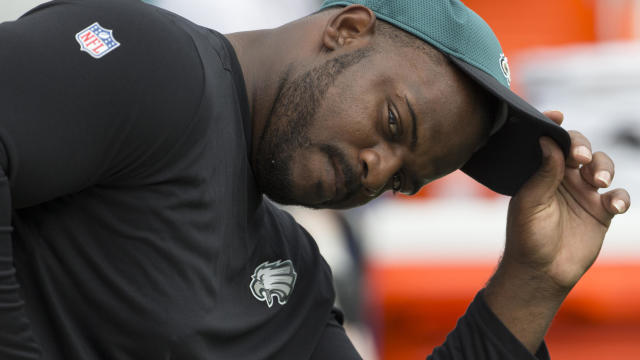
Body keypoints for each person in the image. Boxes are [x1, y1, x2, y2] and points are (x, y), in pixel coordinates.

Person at [0, 0, 630, 359]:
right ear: (347, 31)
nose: (377, 169)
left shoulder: (289, 275)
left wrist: (533, 280)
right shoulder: (160, 68)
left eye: (404, 181)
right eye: (392, 121)